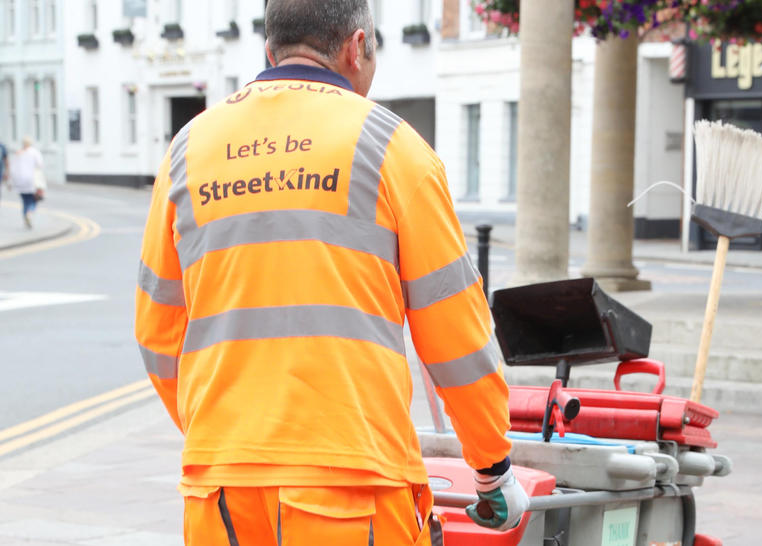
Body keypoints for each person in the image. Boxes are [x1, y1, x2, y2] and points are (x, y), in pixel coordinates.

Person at [134, 1, 528, 544]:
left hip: (221, 487)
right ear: (355, 46)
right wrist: (492, 465)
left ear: (269, 51)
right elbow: (455, 334)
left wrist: (224, 434)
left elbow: (158, 332)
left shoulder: (186, 151)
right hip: (353, 485)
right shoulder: (394, 148)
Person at [8, 136, 44, 229]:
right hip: (31, 180)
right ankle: (29, 213)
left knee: (24, 201)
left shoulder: (18, 153)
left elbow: (12, 168)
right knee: (34, 200)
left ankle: (25, 217)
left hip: (19, 181)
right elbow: (40, 165)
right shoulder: (34, 152)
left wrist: (10, 182)